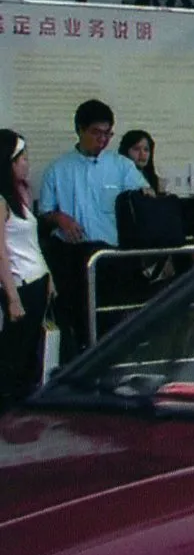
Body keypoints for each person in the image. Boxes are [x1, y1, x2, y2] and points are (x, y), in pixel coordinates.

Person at [37, 100, 150, 355]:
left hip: (111, 256)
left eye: (107, 134)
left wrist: (147, 194)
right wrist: (60, 218)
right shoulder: (57, 169)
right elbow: (45, 213)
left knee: (112, 320)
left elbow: (142, 198)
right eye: (96, 133)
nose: (102, 140)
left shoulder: (122, 166)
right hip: (72, 256)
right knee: (78, 319)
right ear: (80, 129)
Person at [0, 131, 51, 410]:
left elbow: (32, 241)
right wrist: (12, 298)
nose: (27, 163)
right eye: (21, 159)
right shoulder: (1, 201)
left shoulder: (21, 196)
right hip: (19, 284)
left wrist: (49, 276)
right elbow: (1, 253)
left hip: (37, 278)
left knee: (33, 349)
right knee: (15, 352)